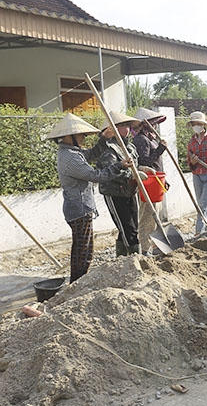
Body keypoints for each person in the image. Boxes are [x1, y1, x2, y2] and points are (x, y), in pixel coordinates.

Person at [47, 113, 133, 282]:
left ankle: (77, 280)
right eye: (81, 135)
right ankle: (78, 281)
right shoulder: (70, 157)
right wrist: (119, 166)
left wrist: (103, 139)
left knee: (80, 248)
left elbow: (92, 154)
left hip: (79, 207)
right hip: (79, 209)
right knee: (83, 250)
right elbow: (95, 175)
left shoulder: (72, 151)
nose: (84, 137)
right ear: (68, 136)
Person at [87, 112, 143, 257]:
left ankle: (122, 257)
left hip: (131, 190)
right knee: (127, 227)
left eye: (127, 126)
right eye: (122, 126)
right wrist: (132, 175)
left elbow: (135, 165)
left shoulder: (129, 146)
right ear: (113, 129)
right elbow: (110, 172)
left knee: (133, 225)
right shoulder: (108, 149)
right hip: (114, 192)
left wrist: (142, 170)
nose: (126, 129)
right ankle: (134, 258)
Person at [133, 107, 168, 254]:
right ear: (144, 124)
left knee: (155, 216)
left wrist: (163, 181)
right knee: (147, 216)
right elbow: (145, 162)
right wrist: (160, 149)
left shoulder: (150, 138)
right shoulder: (141, 139)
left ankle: (155, 246)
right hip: (149, 182)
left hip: (157, 181)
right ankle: (145, 249)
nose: (154, 125)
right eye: (152, 122)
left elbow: (156, 163)